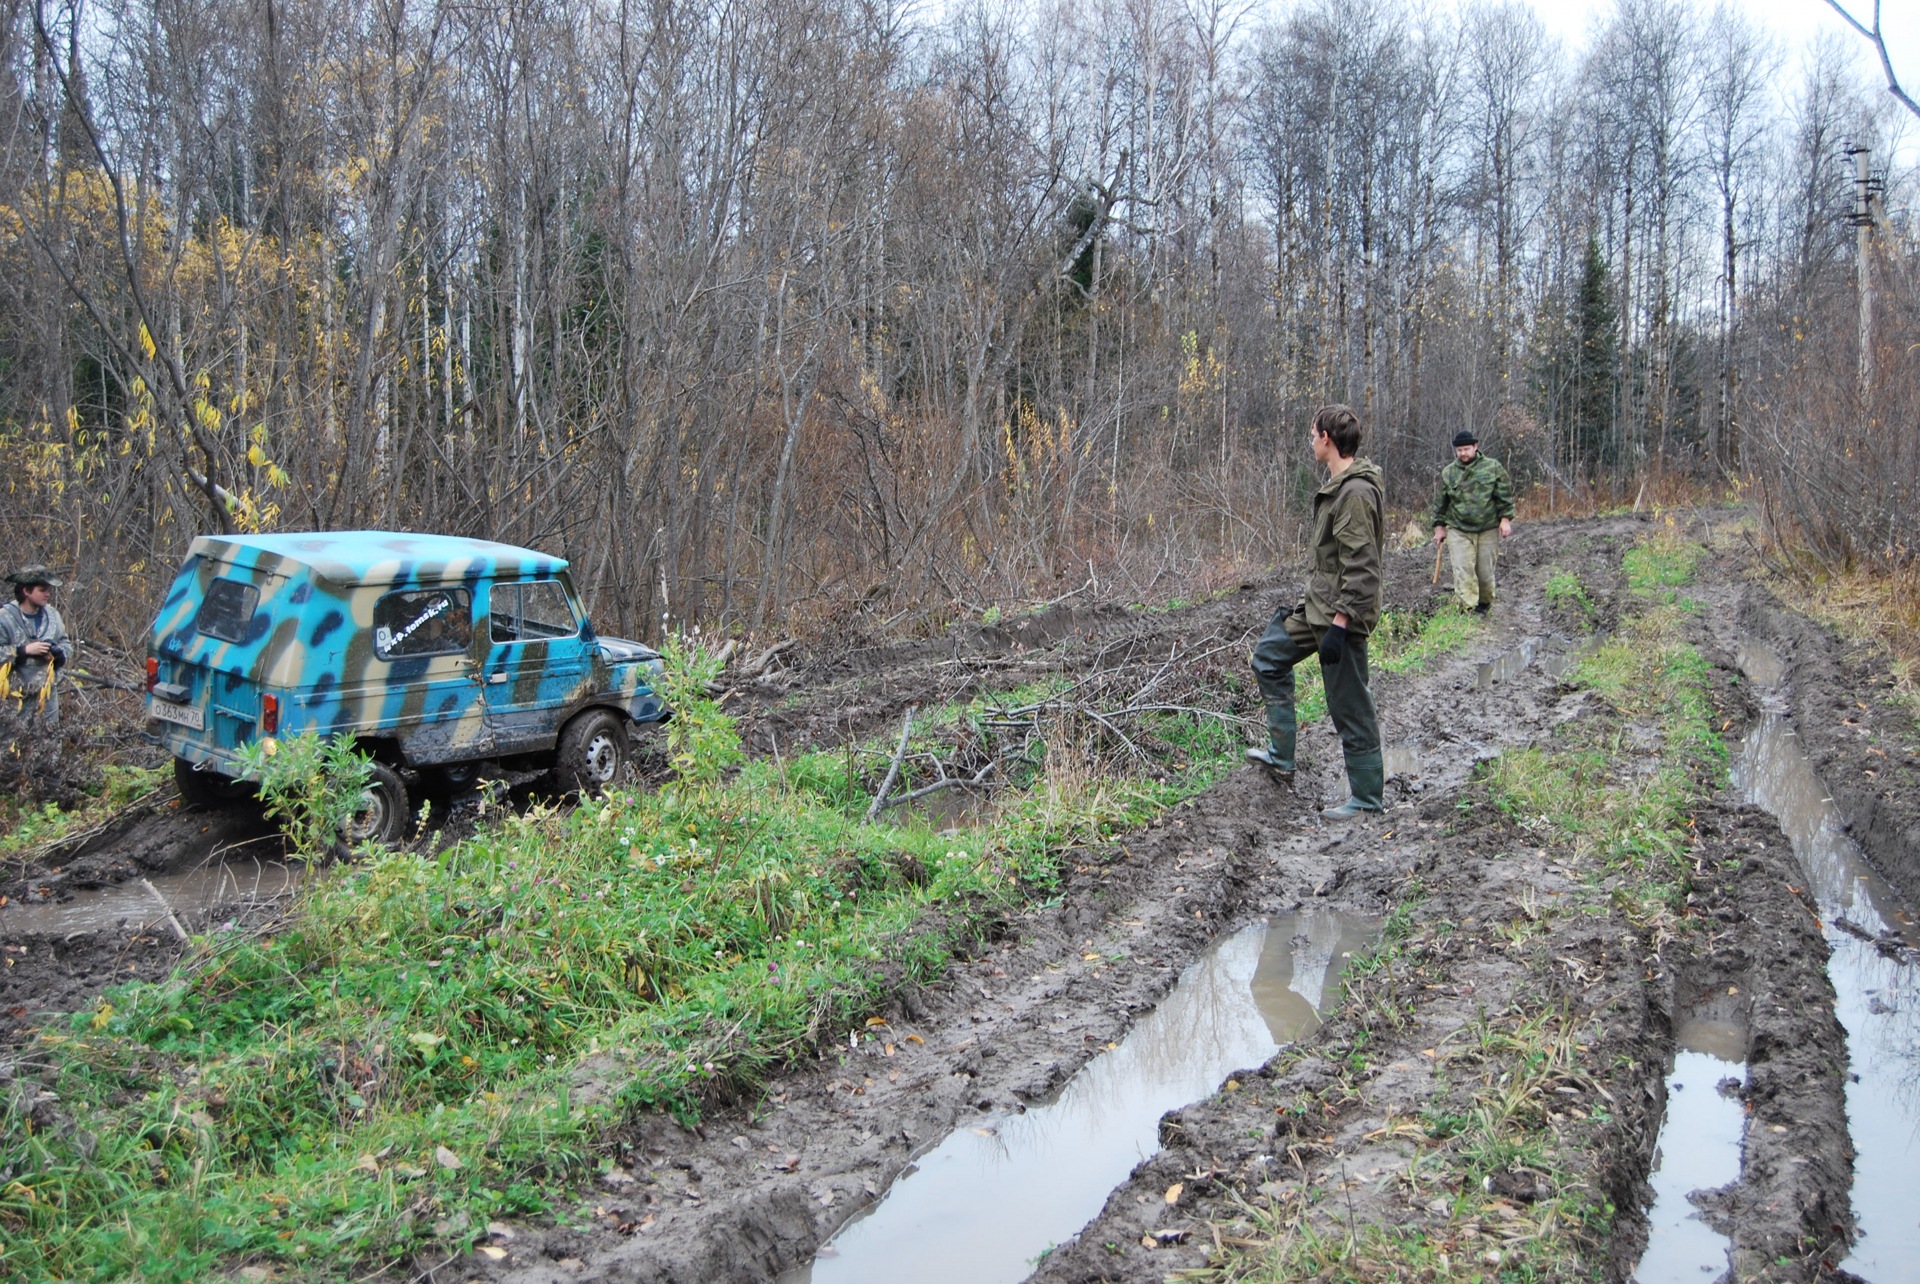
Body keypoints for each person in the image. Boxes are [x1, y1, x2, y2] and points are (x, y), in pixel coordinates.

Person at [1246, 405, 1387, 818]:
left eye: (1312, 434)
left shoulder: (1356, 493)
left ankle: (1366, 799)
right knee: (1269, 657)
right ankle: (1281, 756)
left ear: (1327, 438)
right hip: (1317, 611)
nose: (1310, 441)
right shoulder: (1338, 487)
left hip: (1340, 618)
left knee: (1350, 705)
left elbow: (1363, 567)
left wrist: (1341, 627)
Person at [1429, 429, 1514, 614]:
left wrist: (1505, 520)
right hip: (1458, 529)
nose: (1463, 454)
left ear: (1476, 447)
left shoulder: (1493, 468)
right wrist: (1438, 527)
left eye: (1466, 449)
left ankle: (1484, 604)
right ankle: (1467, 609)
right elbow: (1441, 503)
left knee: (1484, 573)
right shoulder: (1449, 472)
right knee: (1463, 570)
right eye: (1459, 450)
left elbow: (1504, 496)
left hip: (1487, 528)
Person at [0, 565, 71, 726]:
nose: (48, 593)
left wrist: (58, 654)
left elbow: (66, 644)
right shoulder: (5, 618)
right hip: (12, 700)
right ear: (26, 591)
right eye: (42, 589)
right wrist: (23, 651)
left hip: (46, 698)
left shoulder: (53, 616)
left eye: (48, 589)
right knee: (11, 748)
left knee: (49, 745)